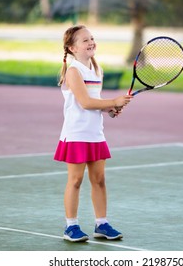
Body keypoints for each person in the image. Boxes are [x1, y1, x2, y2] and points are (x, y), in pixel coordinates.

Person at [54, 25, 132, 242]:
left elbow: (96, 102)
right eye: (85, 40)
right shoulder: (73, 71)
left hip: (95, 134)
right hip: (76, 133)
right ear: (71, 48)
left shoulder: (98, 70)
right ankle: (71, 226)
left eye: (92, 38)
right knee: (76, 180)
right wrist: (113, 101)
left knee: (99, 179)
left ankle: (102, 223)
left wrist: (110, 109)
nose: (91, 42)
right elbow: (86, 102)